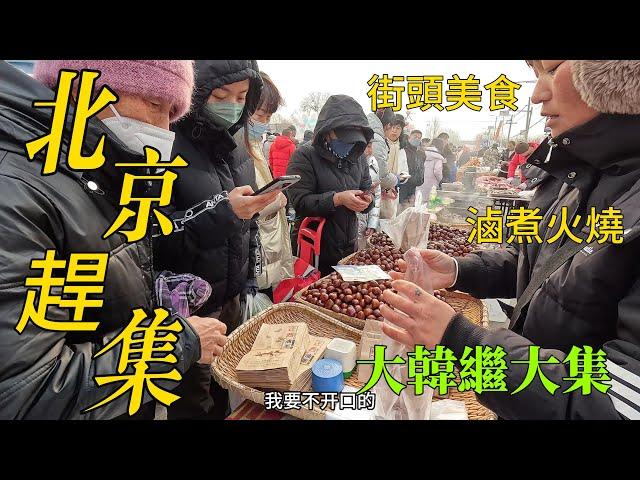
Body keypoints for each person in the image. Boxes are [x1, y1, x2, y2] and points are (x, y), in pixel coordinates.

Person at [380, 59, 640, 420]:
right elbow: (536, 267)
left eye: (553, 69)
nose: (537, 95)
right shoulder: (572, 176)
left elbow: (618, 403)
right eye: (536, 75)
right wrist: (457, 271)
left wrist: (462, 340)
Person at [0, 60, 227, 419]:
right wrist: (176, 342)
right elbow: (26, 392)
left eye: (172, 112)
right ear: (84, 86)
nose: (165, 130)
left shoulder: (96, 171)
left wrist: (149, 290)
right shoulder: (16, 190)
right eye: (155, 104)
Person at [154, 60, 280, 419]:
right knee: (193, 401)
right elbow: (152, 237)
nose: (232, 105)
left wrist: (249, 281)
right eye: (220, 95)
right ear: (192, 93)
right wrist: (225, 214)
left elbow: (248, 223)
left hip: (232, 300)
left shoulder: (237, 150)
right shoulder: (164, 146)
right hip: (188, 309)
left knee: (226, 390)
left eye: (242, 97)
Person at [286, 94, 374, 276]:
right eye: (343, 137)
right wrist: (337, 199)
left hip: (348, 247)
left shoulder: (359, 159)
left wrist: (367, 201)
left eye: (353, 139)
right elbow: (300, 202)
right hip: (314, 249)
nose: (349, 144)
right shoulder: (304, 156)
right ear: (327, 131)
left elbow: (367, 190)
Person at [232, 72, 294, 294]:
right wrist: (276, 201)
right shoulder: (235, 147)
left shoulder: (256, 145)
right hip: (253, 252)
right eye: (260, 115)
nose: (265, 123)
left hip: (267, 244)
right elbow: (242, 205)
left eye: (269, 117)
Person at [380, 114, 409, 219]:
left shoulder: (401, 149)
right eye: (392, 127)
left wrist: (401, 178)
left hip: (393, 191)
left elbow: (405, 170)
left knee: (389, 223)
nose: (394, 131)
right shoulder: (380, 145)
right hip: (378, 190)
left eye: (398, 128)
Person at [367, 107, 401, 191]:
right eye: (393, 127)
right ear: (388, 125)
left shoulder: (369, 132)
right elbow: (381, 175)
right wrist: (396, 179)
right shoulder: (377, 139)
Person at [357, 140, 382, 244]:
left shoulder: (373, 163)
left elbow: (377, 196)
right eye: (367, 147)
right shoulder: (347, 164)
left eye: (371, 146)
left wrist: (372, 224)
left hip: (364, 221)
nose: (370, 151)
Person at [399, 129, 426, 210]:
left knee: (409, 208)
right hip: (403, 185)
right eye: (415, 137)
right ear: (409, 137)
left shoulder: (420, 152)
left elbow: (421, 167)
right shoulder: (404, 150)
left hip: (413, 185)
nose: (417, 139)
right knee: (401, 206)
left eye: (419, 138)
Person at [416, 137, 445, 204]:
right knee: (429, 205)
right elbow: (437, 171)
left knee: (419, 203)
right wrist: (440, 180)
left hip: (420, 182)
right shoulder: (438, 157)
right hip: (432, 184)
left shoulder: (423, 153)